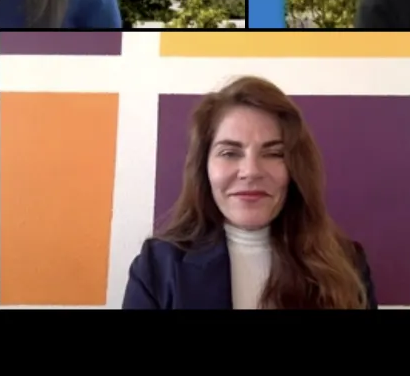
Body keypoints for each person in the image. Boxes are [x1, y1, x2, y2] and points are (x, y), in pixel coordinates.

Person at [123, 76, 375, 310]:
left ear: (296, 168)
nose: (251, 171)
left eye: (274, 153)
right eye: (230, 153)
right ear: (204, 167)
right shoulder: (156, 267)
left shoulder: (348, 264)